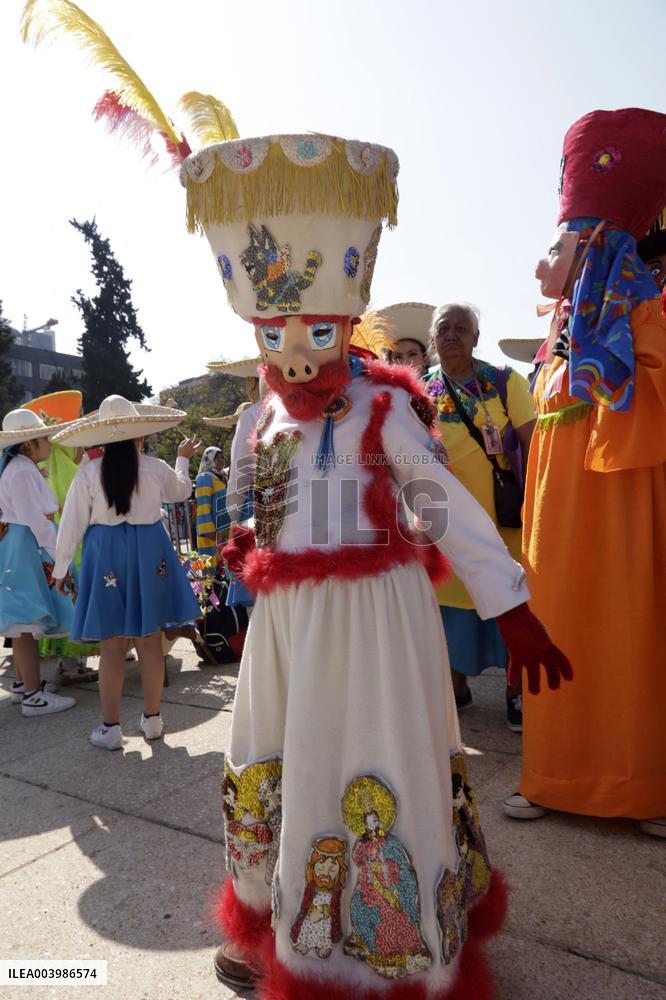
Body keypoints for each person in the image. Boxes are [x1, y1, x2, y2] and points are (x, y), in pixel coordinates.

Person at [173, 128, 571, 998]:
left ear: (347, 321)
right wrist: (252, 537)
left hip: (375, 619)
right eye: (276, 334)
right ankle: (277, 924)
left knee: (371, 757)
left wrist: (509, 601)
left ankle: (387, 949)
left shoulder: (386, 406)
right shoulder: (269, 418)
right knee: (281, 754)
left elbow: (439, 505)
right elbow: (268, 496)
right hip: (286, 623)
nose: (297, 355)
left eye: (315, 330)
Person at [502, 108, 666, 838]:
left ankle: (644, 784)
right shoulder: (556, 345)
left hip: (626, 505)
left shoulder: (649, 319)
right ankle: (553, 773)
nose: (544, 265)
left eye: (557, 245)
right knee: (558, 628)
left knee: (632, 631)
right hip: (555, 524)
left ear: (596, 245)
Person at [52, 395, 202, 751]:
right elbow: (182, 491)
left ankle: (110, 728)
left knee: (112, 647)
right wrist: (182, 459)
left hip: (105, 555)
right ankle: (152, 720)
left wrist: (60, 569)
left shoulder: (88, 473)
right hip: (151, 551)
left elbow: (71, 523)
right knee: (150, 642)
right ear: (140, 434)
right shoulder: (154, 466)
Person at [426, 303, 536, 730]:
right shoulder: (419, 392)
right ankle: (455, 692)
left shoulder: (504, 382)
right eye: (443, 329)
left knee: (509, 601)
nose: (452, 335)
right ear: (433, 339)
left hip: (503, 524)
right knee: (447, 612)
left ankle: (518, 695)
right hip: (445, 527)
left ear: (476, 338)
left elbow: (535, 444)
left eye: (462, 328)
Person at [0, 408, 76, 716]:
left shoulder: (18, 467)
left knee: (23, 620)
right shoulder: (20, 470)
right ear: (29, 443)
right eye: (44, 437)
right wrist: (60, 557)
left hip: (19, 544)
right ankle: (33, 694)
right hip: (25, 544)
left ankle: (23, 685)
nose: (49, 442)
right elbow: (35, 519)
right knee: (25, 622)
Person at [21, 390, 99, 677]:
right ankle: (71, 662)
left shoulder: (40, 462)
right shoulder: (64, 455)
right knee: (74, 593)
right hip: (70, 534)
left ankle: (66, 661)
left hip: (51, 535)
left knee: (62, 595)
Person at [378, 302, 435, 377]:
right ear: (390, 364)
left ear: (425, 360)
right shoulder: (378, 389)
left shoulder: (443, 387)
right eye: (398, 357)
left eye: (412, 354)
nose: (406, 362)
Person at [194, 445, 230, 562]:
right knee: (210, 567)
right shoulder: (204, 478)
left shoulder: (222, 477)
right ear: (208, 459)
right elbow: (203, 506)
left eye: (222, 457)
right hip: (211, 533)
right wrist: (208, 531)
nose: (221, 460)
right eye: (217, 457)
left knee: (225, 567)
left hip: (224, 530)